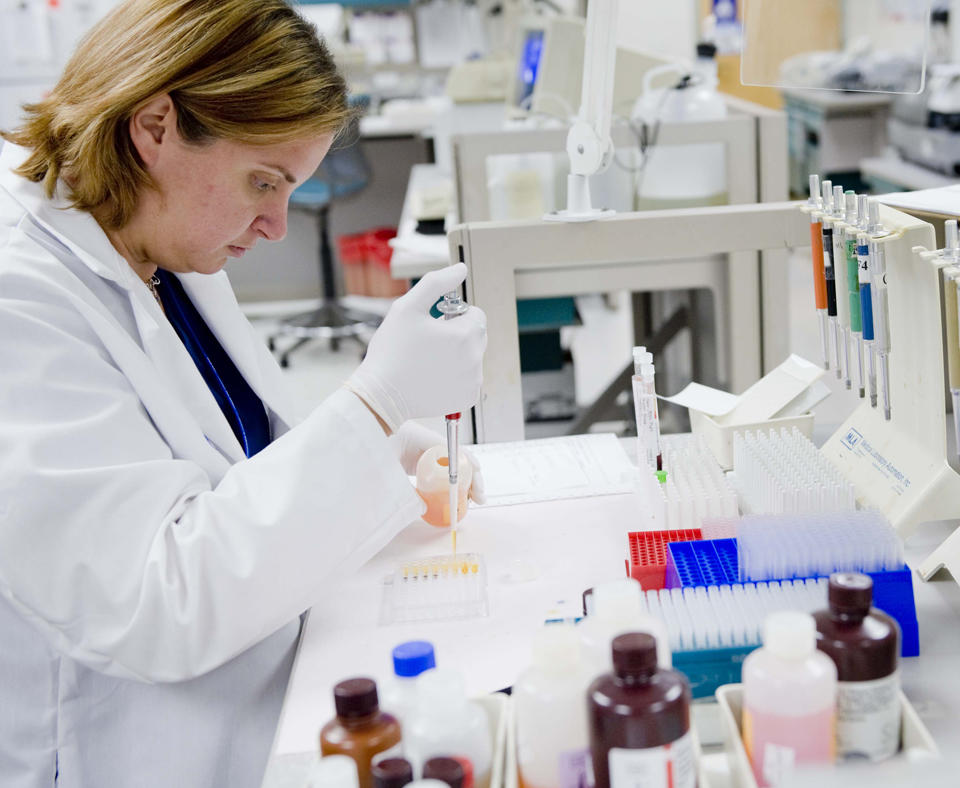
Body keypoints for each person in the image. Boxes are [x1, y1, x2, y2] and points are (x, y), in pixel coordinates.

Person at [0, 1, 487, 786]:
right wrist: (375, 403)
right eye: (263, 181)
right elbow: (158, 600)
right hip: (124, 752)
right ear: (154, 126)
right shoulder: (18, 299)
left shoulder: (158, 244)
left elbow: (240, 455)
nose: (276, 225)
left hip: (258, 700)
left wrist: (389, 450)